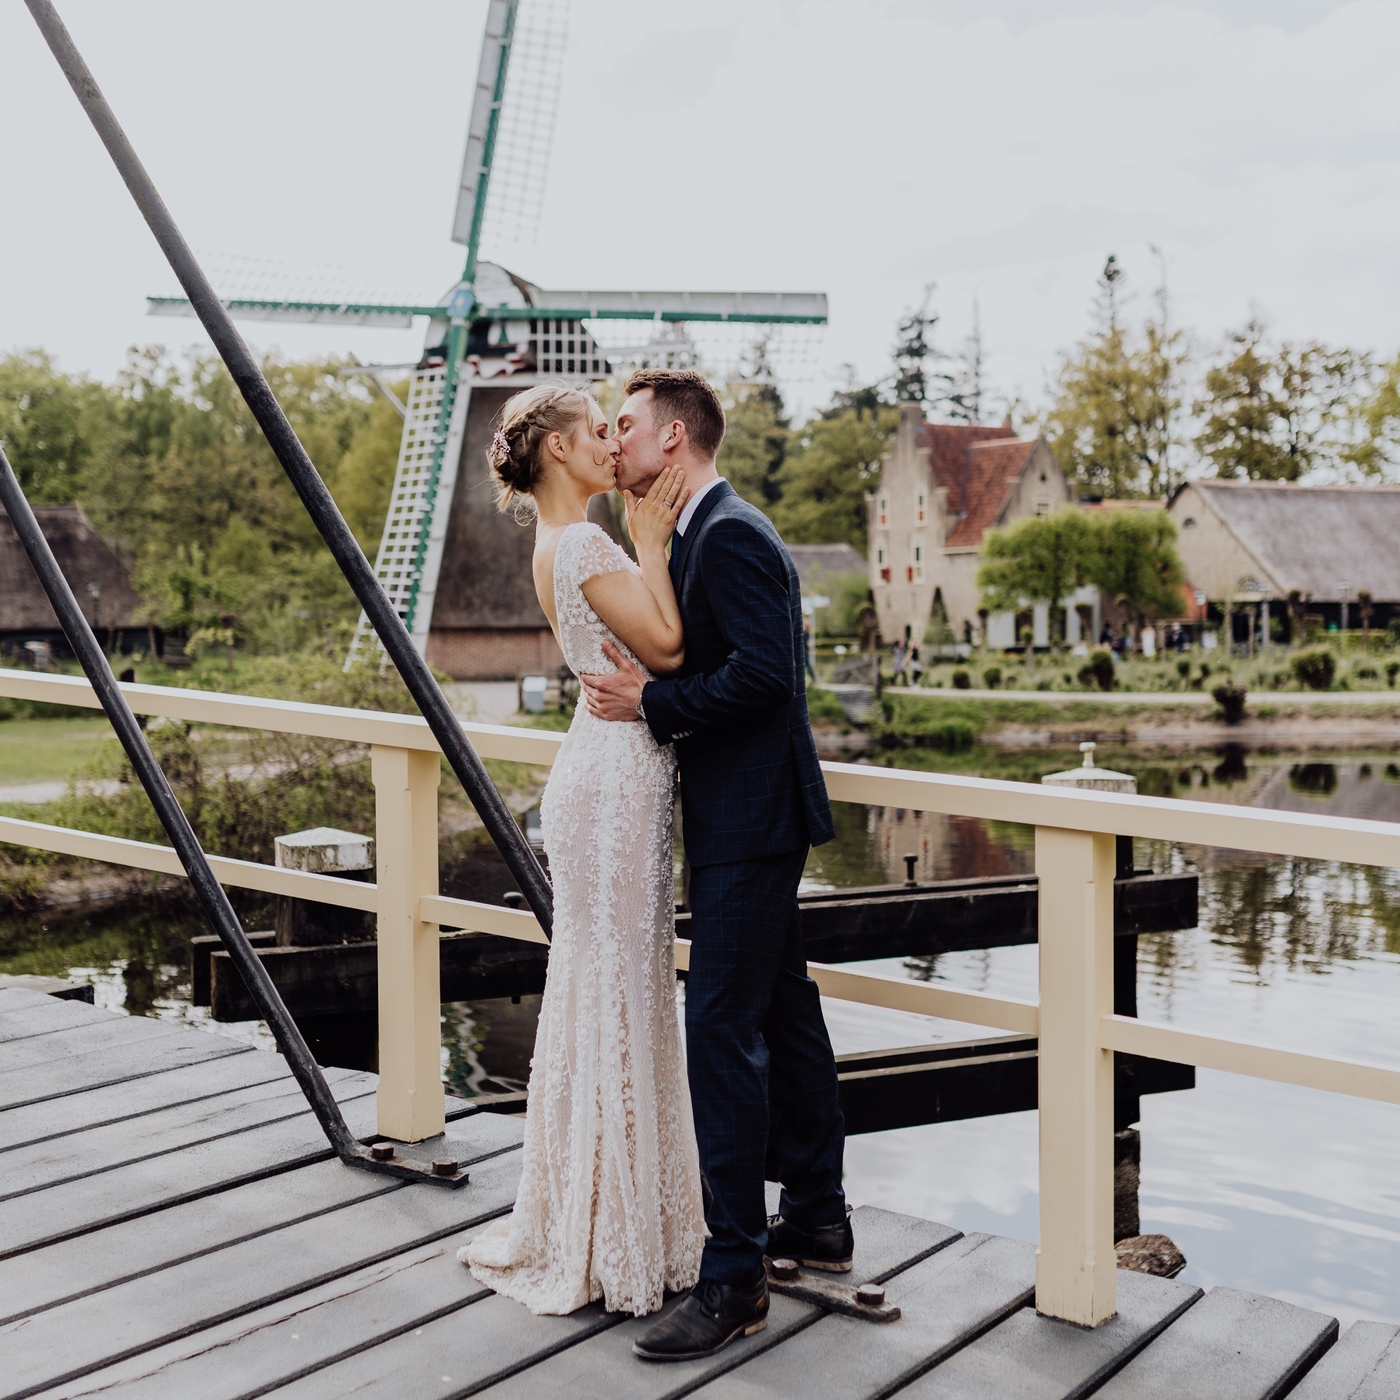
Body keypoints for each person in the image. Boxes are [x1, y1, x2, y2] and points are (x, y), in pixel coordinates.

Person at [582, 368, 849, 1364]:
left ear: (675, 438)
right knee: (782, 1011)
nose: (614, 444)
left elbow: (768, 677)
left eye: (626, 429)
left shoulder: (730, 531)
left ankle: (732, 1276)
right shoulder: (694, 529)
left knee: (721, 1027)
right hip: (746, 813)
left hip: (750, 817)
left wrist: (647, 704)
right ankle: (816, 1216)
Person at [460, 384, 706, 1317]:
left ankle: (599, 1211)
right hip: (614, 784)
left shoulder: (549, 548)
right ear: (559, 450)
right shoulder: (594, 543)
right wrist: (653, 540)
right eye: (597, 430)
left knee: (604, 987)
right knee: (619, 989)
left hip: (600, 772)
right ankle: (612, 1228)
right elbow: (672, 651)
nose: (612, 442)